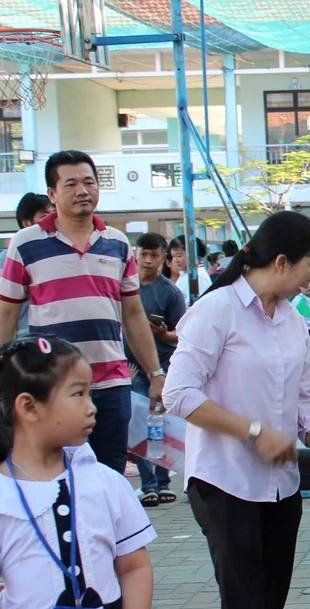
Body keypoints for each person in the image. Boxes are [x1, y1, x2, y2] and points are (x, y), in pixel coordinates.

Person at [163, 211, 310, 609]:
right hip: (225, 483)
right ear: (281, 262)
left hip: (282, 487)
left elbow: (305, 405)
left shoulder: (292, 320)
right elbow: (178, 394)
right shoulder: (216, 310)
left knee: (270, 604)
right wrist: (252, 433)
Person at [0, 150, 166, 474]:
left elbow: (132, 314)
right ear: (52, 194)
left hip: (112, 384)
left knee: (108, 475)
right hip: (52, 386)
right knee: (56, 476)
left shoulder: (117, 243)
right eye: (71, 183)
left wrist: (156, 374)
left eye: (89, 182)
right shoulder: (25, 244)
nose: (82, 191)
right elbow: (7, 314)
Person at [0, 335, 156, 609]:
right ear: (29, 407)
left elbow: (135, 567)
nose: (91, 407)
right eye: (77, 394)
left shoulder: (106, 482)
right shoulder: (3, 492)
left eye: (91, 394)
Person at [127, 232, 187, 508]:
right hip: (131, 368)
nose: (148, 260)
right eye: (144, 254)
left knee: (159, 423)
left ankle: (163, 482)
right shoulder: (125, 287)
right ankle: (147, 484)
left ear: (164, 258)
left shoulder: (170, 292)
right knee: (137, 423)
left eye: (154, 255)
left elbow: (182, 334)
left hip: (162, 367)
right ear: (135, 254)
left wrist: (164, 335)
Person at [0, 194, 52, 335]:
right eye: (45, 215)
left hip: (55, 338)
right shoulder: (8, 258)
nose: (53, 220)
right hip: (26, 336)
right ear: (27, 223)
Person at [169, 236, 212, 302]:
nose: (175, 260)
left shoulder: (198, 276)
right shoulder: (184, 273)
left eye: (179, 256)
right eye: (173, 256)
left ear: (191, 253)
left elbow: (202, 304)